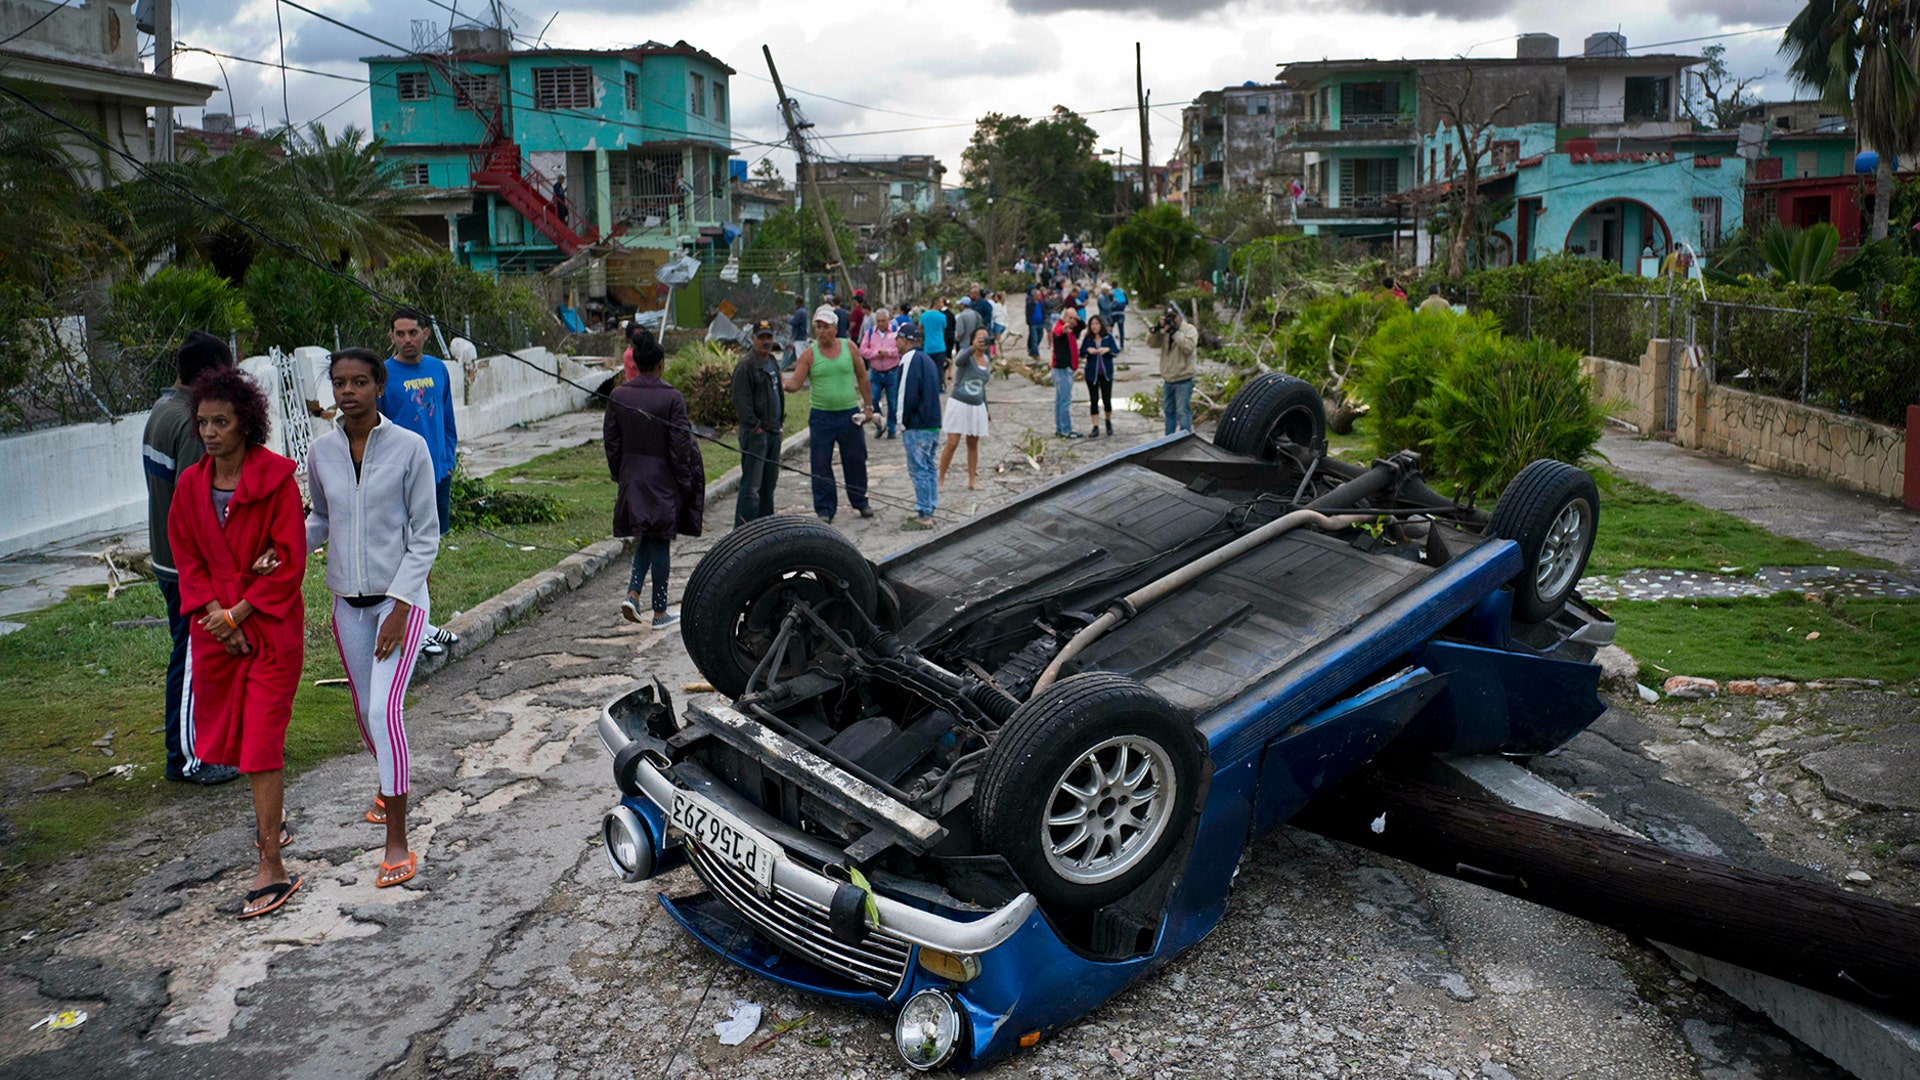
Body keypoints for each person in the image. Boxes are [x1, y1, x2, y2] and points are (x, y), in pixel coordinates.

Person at [169, 366, 307, 918]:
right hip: (216, 633)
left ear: (245, 423)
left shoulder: (275, 481)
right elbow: (188, 558)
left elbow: (288, 560)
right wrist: (216, 617)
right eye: (202, 422)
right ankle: (269, 831)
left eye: (220, 422)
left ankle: (270, 863)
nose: (209, 432)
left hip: (268, 629)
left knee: (261, 744)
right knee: (232, 740)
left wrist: (240, 612)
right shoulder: (189, 487)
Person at [304, 347, 439, 891]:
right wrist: (280, 548)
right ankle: (387, 787)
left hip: (398, 604)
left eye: (359, 382)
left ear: (379, 387)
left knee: (385, 710)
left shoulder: (411, 449)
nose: (348, 392)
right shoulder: (320, 452)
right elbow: (320, 517)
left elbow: (426, 533)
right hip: (347, 605)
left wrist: (402, 607)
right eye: (339, 383)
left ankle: (398, 838)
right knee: (364, 711)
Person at [142, 331, 241, 787]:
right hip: (189, 567)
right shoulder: (191, 421)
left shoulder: (160, 411)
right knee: (192, 659)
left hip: (168, 560)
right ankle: (184, 758)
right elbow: (197, 499)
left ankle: (212, 744)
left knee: (197, 656)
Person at [606, 330, 705, 626]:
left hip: (632, 477)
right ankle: (659, 612)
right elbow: (680, 444)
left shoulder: (618, 395)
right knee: (660, 540)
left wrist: (619, 474)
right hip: (663, 480)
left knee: (648, 536)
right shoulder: (672, 397)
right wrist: (685, 481)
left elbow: (611, 442)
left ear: (635, 362)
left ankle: (633, 595)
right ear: (661, 363)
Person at [379, 308, 459, 658]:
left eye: (413, 332)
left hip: (436, 475)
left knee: (427, 550)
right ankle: (412, 625)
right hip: (398, 478)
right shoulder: (382, 374)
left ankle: (422, 623)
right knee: (406, 552)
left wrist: (448, 459)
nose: (407, 340)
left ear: (425, 333)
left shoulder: (438, 369)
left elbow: (447, 419)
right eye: (400, 334)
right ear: (392, 337)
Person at [785, 305, 875, 523]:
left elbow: (863, 377)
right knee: (821, 462)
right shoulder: (809, 354)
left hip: (849, 415)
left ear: (835, 328)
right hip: (822, 417)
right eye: (818, 327)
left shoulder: (849, 347)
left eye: (826, 326)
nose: (822, 331)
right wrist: (783, 384)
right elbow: (797, 381)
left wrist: (869, 406)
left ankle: (860, 500)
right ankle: (825, 509)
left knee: (855, 459)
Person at [731, 320, 786, 525]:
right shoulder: (746, 366)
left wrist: (779, 424)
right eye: (761, 337)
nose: (766, 341)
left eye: (769, 337)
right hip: (756, 435)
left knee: (768, 486)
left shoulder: (772, 360)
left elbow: (778, 394)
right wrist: (756, 428)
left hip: (773, 432)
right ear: (752, 339)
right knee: (751, 487)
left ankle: (766, 530)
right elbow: (741, 401)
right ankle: (743, 532)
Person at [896, 321, 942, 531]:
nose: (896, 344)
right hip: (932, 423)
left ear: (904, 340)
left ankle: (924, 513)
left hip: (917, 424)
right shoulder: (928, 359)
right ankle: (930, 507)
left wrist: (901, 421)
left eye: (898, 340)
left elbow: (906, 393)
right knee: (929, 466)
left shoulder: (909, 359)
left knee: (919, 469)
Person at [939, 327, 992, 490]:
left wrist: (986, 408)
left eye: (985, 338)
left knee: (973, 444)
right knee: (953, 442)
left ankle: (971, 480)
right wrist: (972, 348)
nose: (983, 341)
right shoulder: (966, 355)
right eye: (979, 338)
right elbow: (959, 361)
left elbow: (982, 387)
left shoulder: (987, 360)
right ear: (973, 339)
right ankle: (940, 479)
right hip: (959, 403)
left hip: (976, 406)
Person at [1148, 306, 1199, 435]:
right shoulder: (1165, 331)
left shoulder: (1189, 330)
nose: (1172, 320)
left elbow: (1188, 347)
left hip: (1184, 379)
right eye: (1169, 317)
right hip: (1169, 378)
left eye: (1174, 317)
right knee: (1169, 411)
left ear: (1179, 316)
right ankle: (1168, 440)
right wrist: (1157, 330)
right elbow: (1151, 344)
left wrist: (1174, 332)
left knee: (1183, 412)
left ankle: (1185, 440)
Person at [859, 307, 902, 439]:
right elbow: (863, 350)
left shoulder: (895, 332)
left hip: (892, 371)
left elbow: (900, 348)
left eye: (883, 321)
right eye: (878, 321)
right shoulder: (871, 333)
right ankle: (879, 425)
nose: (881, 323)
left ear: (888, 320)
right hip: (876, 372)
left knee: (892, 402)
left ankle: (892, 427)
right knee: (874, 400)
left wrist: (888, 353)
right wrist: (875, 354)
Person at [1081, 314, 1119, 439]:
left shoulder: (1108, 337)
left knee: (1107, 400)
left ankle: (1108, 422)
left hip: (1106, 374)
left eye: (1097, 324)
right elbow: (1081, 353)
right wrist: (1088, 351)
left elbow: (1116, 350)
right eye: (1092, 324)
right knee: (1093, 400)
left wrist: (1107, 349)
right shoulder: (1088, 339)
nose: (1094, 326)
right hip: (1092, 375)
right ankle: (1095, 426)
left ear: (1101, 325)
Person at [1050, 309, 1082, 439]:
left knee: (1060, 400)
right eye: (1071, 318)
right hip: (1062, 369)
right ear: (1065, 317)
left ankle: (1059, 428)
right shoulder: (1059, 328)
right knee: (1065, 401)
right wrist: (1064, 329)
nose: (1073, 321)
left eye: (1075, 319)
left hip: (1064, 368)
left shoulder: (1071, 329)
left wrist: (1076, 319)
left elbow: (1083, 325)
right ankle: (1066, 430)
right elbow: (1058, 333)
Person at [920, 300, 951, 387]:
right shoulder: (942, 316)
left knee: (928, 369)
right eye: (941, 303)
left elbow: (919, 327)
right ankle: (938, 387)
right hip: (940, 346)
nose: (942, 305)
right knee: (939, 368)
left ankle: (928, 386)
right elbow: (944, 329)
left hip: (928, 346)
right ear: (936, 303)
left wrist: (926, 333)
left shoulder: (924, 315)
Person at [1025, 286, 1048, 359]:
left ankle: (1032, 351)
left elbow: (1044, 312)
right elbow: (1027, 314)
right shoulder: (1030, 303)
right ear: (1034, 296)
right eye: (1038, 295)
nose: (1040, 296)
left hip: (1041, 323)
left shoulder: (1042, 303)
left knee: (1040, 337)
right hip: (1033, 324)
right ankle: (1037, 355)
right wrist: (1029, 323)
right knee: (1034, 340)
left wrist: (1044, 321)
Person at [786, 300, 810, 367]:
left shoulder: (799, 312)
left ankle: (801, 370)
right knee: (803, 353)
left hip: (799, 337)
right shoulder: (804, 311)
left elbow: (794, 322)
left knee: (800, 355)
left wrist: (787, 319)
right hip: (803, 336)